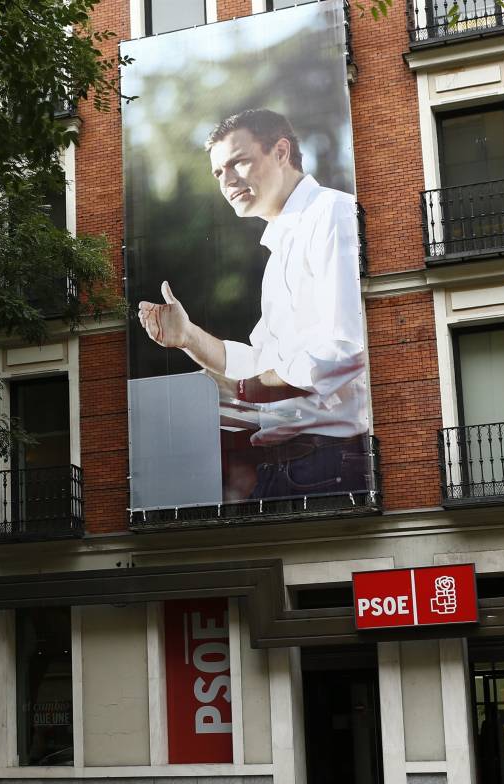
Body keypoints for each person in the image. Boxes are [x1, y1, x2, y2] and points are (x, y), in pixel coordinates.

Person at [136, 108, 369, 501]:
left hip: (328, 464)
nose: (226, 181)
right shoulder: (280, 244)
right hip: (288, 469)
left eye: (237, 162)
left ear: (281, 151)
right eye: (217, 173)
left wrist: (248, 389)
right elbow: (261, 365)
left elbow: (344, 350)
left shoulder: (332, 213)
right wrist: (189, 337)